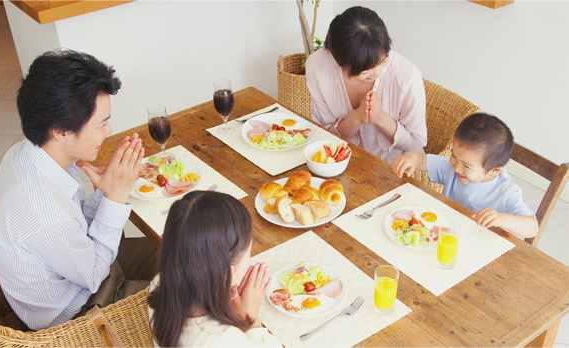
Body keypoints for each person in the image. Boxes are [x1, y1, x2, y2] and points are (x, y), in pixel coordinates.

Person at [0, 50, 158, 331]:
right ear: (60, 130)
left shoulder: (30, 153)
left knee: (185, 249)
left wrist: (104, 193)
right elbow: (93, 274)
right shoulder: (42, 212)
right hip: (80, 309)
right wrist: (114, 198)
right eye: (101, 123)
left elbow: (75, 225)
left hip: (79, 270)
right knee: (201, 289)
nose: (108, 130)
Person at [148, 191, 281, 348]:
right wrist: (252, 322)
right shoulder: (224, 340)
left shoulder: (160, 282)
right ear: (226, 269)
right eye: (249, 251)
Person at [306, 6, 427, 164]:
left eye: (383, 60)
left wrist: (380, 118)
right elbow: (325, 135)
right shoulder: (319, 68)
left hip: (394, 170)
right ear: (335, 59)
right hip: (339, 164)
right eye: (366, 71)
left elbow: (416, 144)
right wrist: (356, 118)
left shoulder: (407, 77)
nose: (377, 73)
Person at [391, 113, 538, 238]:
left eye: (467, 166)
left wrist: (501, 219)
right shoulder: (453, 167)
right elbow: (421, 159)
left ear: (494, 170)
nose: (457, 168)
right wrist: (410, 158)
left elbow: (532, 227)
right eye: (453, 156)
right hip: (445, 235)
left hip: (479, 246)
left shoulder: (506, 192)